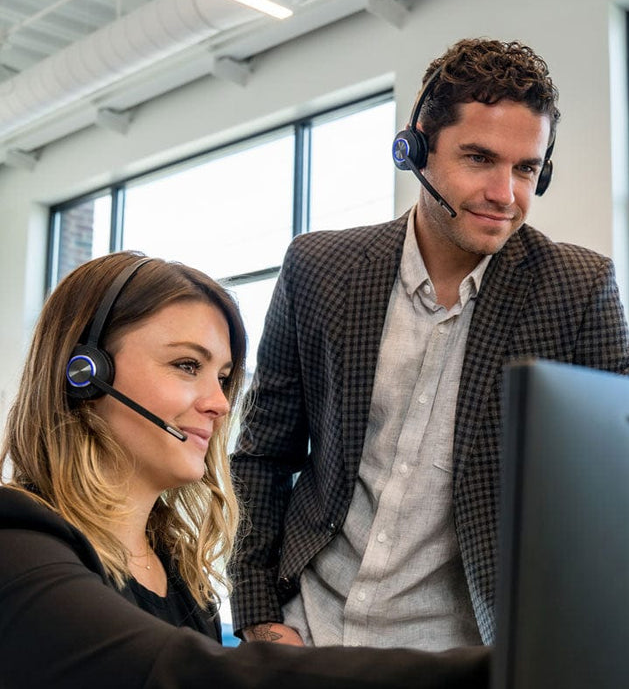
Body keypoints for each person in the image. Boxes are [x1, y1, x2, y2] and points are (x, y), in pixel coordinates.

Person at [229, 38, 629, 650]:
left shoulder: (577, 289)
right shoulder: (319, 268)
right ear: (414, 147)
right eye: (479, 158)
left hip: (461, 658)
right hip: (307, 635)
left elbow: (615, 492)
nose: (506, 193)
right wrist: (259, 615)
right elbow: (263, 456)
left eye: (527, 168)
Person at [0, 251, 490, 688]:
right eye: (187, 365)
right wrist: (502, 671)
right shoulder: (19, 543)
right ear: (86, 372)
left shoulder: (180, 576)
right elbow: (179, 671)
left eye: (224, 378)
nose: (218, 403)